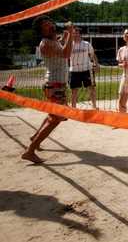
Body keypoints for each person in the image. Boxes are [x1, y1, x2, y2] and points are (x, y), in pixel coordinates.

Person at [22, 16, 74, 163]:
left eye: (50, 22)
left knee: (52, 116)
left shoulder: (53, 40)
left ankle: (34, 139)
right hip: (54, 84)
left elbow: (60, 52)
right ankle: (30, 150)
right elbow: (66, 54)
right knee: (55, 119)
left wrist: (64, 38)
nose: (50, 25)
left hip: (56, 84)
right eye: (45, 25)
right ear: (41, 31)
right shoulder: (45, 43)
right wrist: (70, 33)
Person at [69, 27, 99, 109]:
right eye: (73, 33)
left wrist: (96, 64)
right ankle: (73, 108)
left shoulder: (86, 44)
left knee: (91, 88)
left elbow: (93, 54)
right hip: (74, 70)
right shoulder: (69, 45)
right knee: (74, 91)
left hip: (87, 69)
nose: (75, 34)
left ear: (80, 34)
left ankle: (94, 107)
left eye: (77, 33)